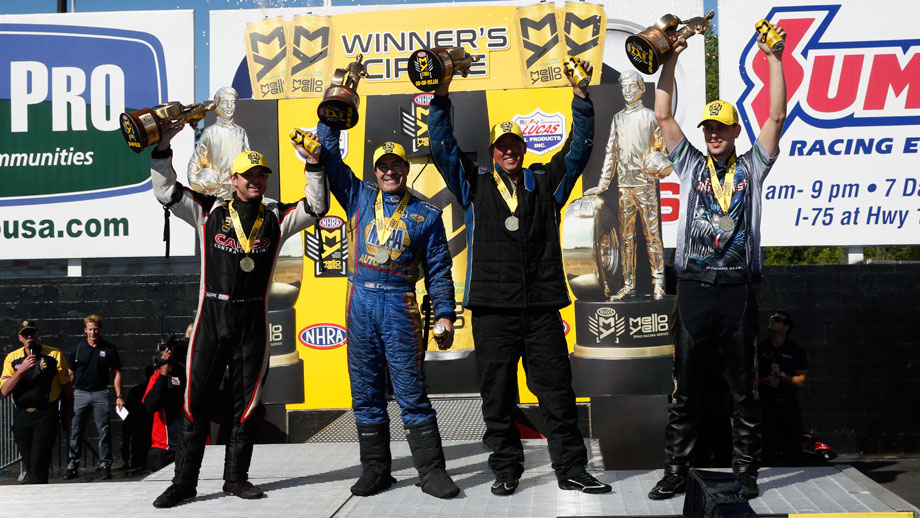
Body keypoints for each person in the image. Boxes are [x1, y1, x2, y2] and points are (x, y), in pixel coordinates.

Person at [428, 58, 612, 496]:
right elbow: (442, 148)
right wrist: (440, 97)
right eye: (501, 146)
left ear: (524, 148)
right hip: (492, 311)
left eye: (514, 145)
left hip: (541, 310)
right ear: (492, 151)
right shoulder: (473, 185)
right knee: (496, 396)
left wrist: (581, 98)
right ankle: (506, 468)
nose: (508, 151)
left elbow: (579, 149)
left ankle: (571, 469)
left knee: (557, 394)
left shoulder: (546, 182)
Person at [147, 124, 327, 508]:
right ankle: (184, 483)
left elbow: (316, 207)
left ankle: (236, 479)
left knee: (246, 404)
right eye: (249, 176)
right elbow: (166, 191)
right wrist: (162, 147)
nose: (256, 181)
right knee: (195, 401)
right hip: (212, 314)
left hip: (252, 319)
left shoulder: (276, 215)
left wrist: (314, 164)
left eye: (262, 175)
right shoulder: (210, 210)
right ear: (234, 179)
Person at [647, 24, 787, 500]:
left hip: (737, 293)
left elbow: (776, 115)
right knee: (684, 391)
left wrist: (773, 58)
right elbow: (663, 113)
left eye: (720, 128)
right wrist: (669, 58)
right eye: (708, 128)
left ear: (734, 131)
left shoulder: (752, 166)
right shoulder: (689, 164)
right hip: (693, 290)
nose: (712, 135)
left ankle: (746, 472)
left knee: (745, 391)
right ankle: (674, 471)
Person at [302, 128, 459, 499]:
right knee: (365, 392)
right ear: (375, 171)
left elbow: (439, 269)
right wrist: (329, 119)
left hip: (399, 303)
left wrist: (445, 314)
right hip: (359, 301)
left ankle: (432, 472)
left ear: (406, 169)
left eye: (396, 165)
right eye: (383, 166)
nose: (390, 171)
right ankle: (375, 470)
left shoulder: (426, 214)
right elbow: (330, 157)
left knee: (411, 393)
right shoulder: (357, 194)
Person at [586, 70, 668, 300]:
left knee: (652, 236)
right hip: (625, 188)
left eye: (632, 86)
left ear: (641, 88)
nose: (628, 91)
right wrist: (603, 184)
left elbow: (663, 150)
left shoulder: (651, 117)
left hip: (646, 186)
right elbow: (610, 152)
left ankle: (659, 282)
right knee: (626, 237)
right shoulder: (618, 119)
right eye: (624, 87)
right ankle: (629, 284)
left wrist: (662, 167)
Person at [0, 320, 73, 484]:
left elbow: (66, 385)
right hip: (22, 414)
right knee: (28, 461)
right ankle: (36, 490)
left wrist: (70, 409)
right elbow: (4, 390)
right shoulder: (12, 358)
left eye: (32, 333)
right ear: (20, 338)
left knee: (39, 461)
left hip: (45, 413)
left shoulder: (53, 354)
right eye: (25, 334)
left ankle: (38, 490)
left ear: (38, 334)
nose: (29, 337)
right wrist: (21, 370)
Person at [65, 314, 123, 480]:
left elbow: (116, 373)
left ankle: (105, 465)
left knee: (104, 430)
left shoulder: (109, 349)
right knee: (76, 430)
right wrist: (66, 395)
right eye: (90, 329)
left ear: (100, 329)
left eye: (95, 329)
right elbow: (70, 373)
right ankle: (72, 467)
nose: (93, 332)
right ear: (85, 330)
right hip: (80, 393)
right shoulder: (77, 349)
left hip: (100, 394)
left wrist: (119, 396)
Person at [758, 310, 807, 466]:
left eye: (777, 319)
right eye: (772, 318)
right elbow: (748, 378)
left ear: (786, 327)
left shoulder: (795, 350)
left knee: (794, 447)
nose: (772, 320)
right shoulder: (760, 349)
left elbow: (801, 381)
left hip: (788, 405)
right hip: (766, 405)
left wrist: (782, 375)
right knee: (766, 448)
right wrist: (765, 381)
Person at [187, 86, 251, 198]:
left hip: (239, 191)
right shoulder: (210, 132)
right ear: (217, 106)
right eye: (225, 102)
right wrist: (194, 180)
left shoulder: (241, 132)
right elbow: (195, 161)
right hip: (217, 192)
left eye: (232, 102)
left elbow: (249, 162)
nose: (229, 106)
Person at [143, 335, 189, 472]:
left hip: (187, 447)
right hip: (163, 449)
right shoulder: (158, 377)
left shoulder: (189, 377)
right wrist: (163, 373)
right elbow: (150, 405)